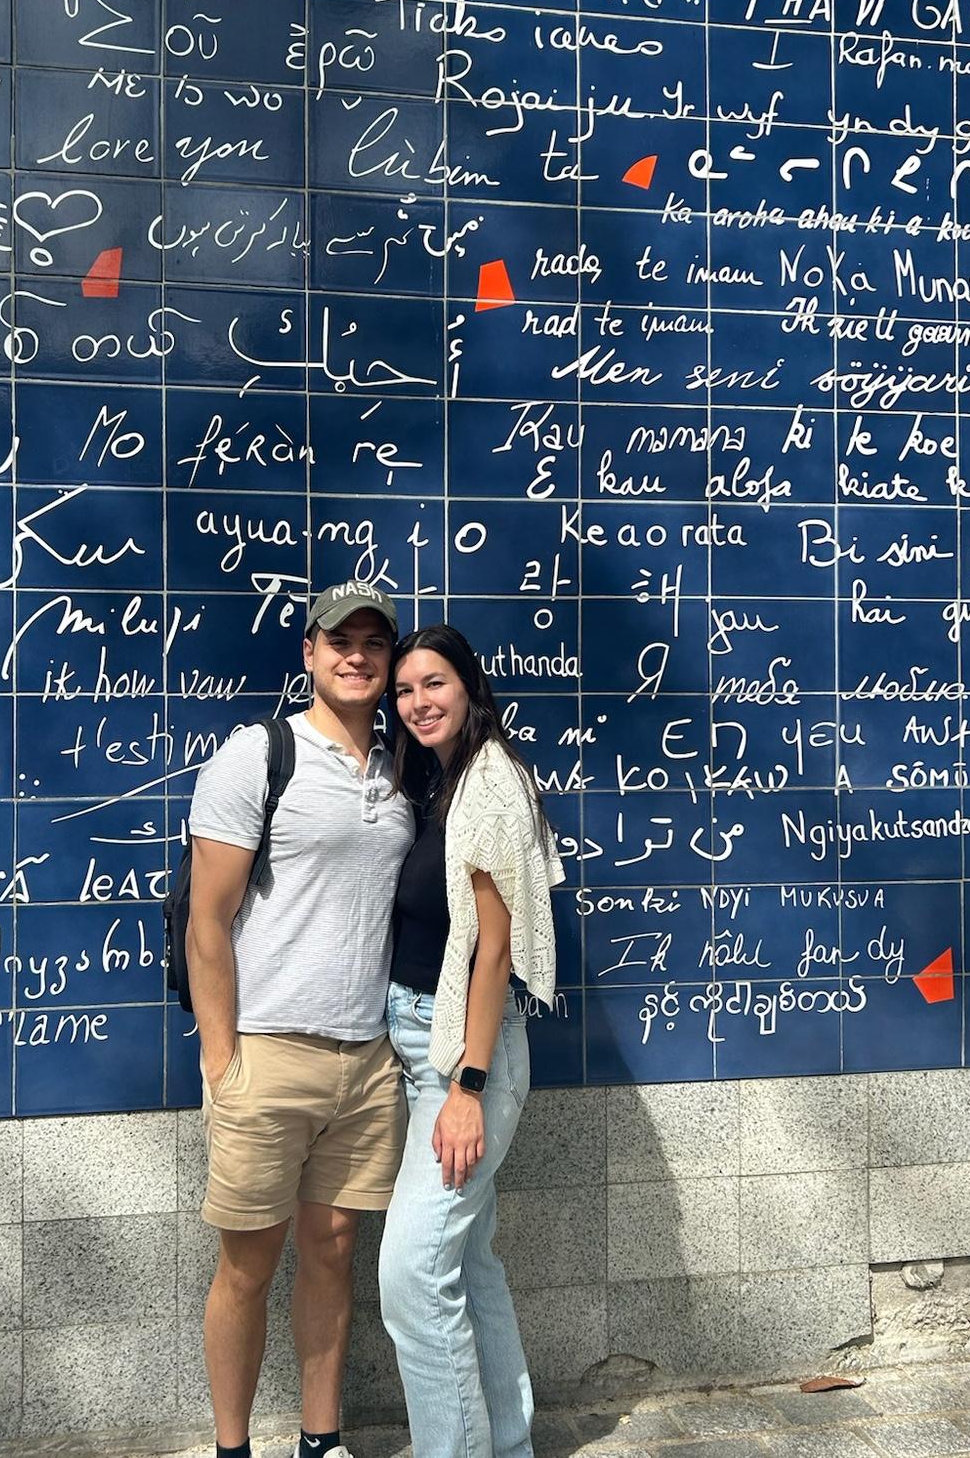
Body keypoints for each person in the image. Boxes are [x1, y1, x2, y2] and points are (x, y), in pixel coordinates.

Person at [185, 581, 415, 1458]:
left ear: (389, 660)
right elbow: (208, 917)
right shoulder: (259, 755)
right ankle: (233, 1449)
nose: (356, 655)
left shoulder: (404, 771)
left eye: (373, 642)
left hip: (368, 1059)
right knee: (248, 1264)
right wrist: (222, 1056)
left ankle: (321, 1441)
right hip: (267, 1051)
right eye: (338, 641)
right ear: (309, 655)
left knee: (333, 1251)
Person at [378, 623, 565, 1458]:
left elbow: (496, 949)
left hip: (461, 1057)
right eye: (405, 689)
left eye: (434, 684)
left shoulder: (487, 785)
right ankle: (509, 1444)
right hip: (429, 1046)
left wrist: (467, 1086)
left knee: (412, 1277)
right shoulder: (443, 780)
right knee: (469, 1266)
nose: (418, 702)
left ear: (469, 687)